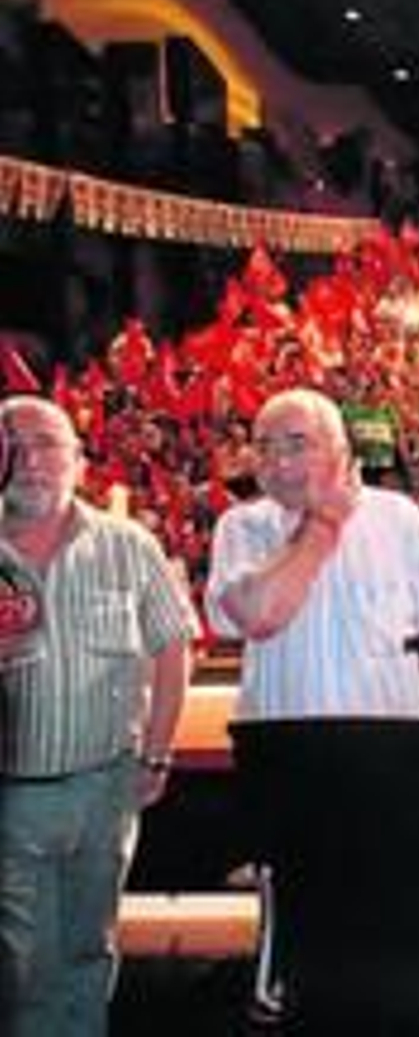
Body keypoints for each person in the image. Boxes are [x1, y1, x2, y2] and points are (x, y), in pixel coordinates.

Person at [0, 396, 197, 1037]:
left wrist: (159, 750)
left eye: (48, 444)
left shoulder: (128, 546)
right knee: (22, 966)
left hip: (103, 788)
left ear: (78, 461)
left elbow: (173, 647)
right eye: (15, 446)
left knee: (91, 952)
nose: (32, 461)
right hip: (11, 796)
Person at [205, 387, 419, 719]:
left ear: (341, 452)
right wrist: (321, 527)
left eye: (297, 444)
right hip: (280, 750)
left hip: (386, 747)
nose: (280, 461)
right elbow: (259, 616)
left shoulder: (397, 518)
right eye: (264, 447)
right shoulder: (242, 527)